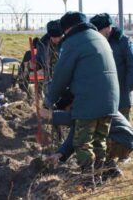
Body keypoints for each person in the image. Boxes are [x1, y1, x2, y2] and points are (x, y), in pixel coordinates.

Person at [44, 11, 119, 188]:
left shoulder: (73, 42)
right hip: (110, 101)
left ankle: (88, 181)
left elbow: (61, 76)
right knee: (99, 141)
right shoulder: (99, 37)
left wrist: (49, 102)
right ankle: (98, 179)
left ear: (67, 29)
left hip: (89, 100)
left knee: (82, 143)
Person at [42, 109, 132, 180]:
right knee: (91, 140)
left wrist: (47, 116)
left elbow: (68, 118)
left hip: (119, 141)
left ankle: (92, 178)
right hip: (125, 142)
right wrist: (59, 154)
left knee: (87, 145)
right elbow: (73, 137)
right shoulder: (90, 107)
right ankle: (111, 172)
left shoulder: (84, 110)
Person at [90, 13, 133, 121]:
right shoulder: (95, 41)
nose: (97, 34)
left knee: (123, 130)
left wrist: (128, 87)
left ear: (108, 28)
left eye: (100, 30)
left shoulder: (123, 41)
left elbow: (131, 64)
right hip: (102, 96)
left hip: (122, 94)